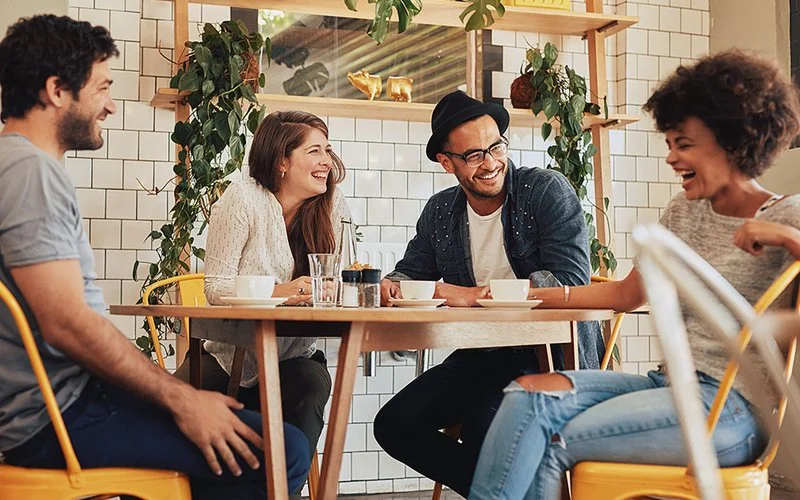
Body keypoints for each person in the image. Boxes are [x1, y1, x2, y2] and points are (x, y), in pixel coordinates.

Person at [0, 15, 309, 499]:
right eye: (102, 87)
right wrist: (180, 398)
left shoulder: (13, 164)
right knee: (281, 449)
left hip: (50, 407)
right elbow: (68, 323)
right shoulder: (30, 174)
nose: (112, 106)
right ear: (57, 89)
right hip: (55, 417)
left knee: (238, 436)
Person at [468, 50, 800, 500]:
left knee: (549, 433)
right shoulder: (683, 213)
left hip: (733, 410)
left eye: (683, 144)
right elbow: (626, 295)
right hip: (668, 385)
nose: (670, 158)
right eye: (669, 144)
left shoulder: (789, 214)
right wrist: (521, 294)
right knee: (528, 395)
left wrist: (787, 238)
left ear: (732, 140)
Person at [372, 90, 606, 496]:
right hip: (480, 353)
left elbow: (571, 282)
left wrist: (474, 294)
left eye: (496, 146)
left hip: (548, 357)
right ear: (447, 163)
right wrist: (391, 284)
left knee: (487, 426)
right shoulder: (440, 211)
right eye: (474, 155)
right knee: (394, 425)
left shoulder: (545, 191)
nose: (491, 163)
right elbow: (411, 271)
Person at [174, 109, 350, 495]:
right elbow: (216, 288)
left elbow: (341, 282)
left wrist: (338, 289)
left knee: (309, 390)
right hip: (227, 353)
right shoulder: (242, 199)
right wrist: (287, 291)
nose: (327, 162)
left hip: (294, 356)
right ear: (282, 161)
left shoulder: (333, 208)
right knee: (170, 408)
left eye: (328, 150)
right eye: (315, 151)